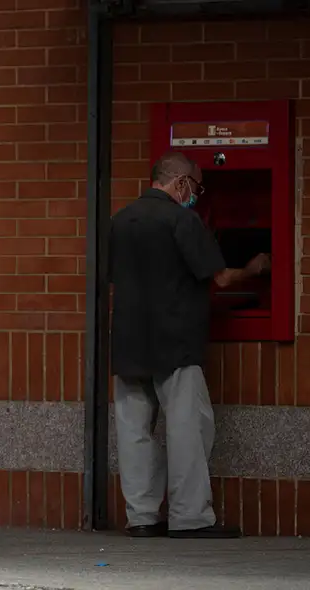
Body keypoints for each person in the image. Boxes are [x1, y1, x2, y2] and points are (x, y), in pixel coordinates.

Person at [109, 151, 270, 539]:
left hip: (128, 340)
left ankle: (142, 517)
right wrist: (255, 267)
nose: (197, 195)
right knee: (187, 428)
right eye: (196, 187)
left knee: (134, 432)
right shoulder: (182, 219)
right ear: (180, 183)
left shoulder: (119, 221)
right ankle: (190, 517)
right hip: (175, 341)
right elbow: (221, 279)